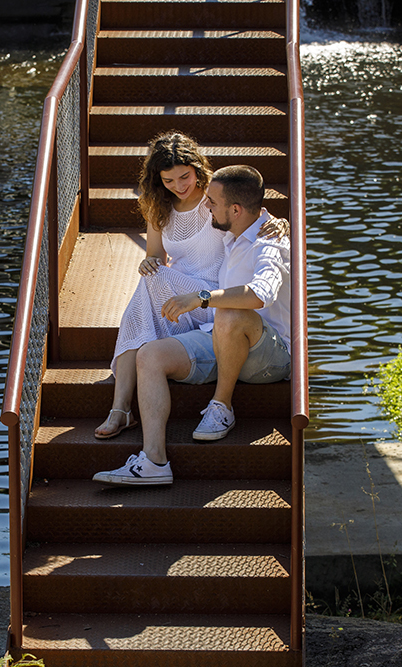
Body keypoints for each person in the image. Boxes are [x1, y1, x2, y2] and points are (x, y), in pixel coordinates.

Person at [93, 164, 291, 486]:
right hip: (220, 338)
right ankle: (154, 461)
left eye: (211, 202)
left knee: (227, 313)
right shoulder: (232, 229)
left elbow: (260, 294)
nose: (206, 207)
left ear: (235, 210)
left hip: (269, 354)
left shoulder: (270, 242)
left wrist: (200, 298)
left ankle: (221, 405)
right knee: (150, 356)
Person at [94, 131, 224, 440]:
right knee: (151, 276)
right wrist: (147, 262)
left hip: (210, 299)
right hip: (175, 299)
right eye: (168, 181)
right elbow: (155, 255)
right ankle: (121, 408)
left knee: (151, 285)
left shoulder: (216, 195)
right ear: (157, 180)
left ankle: (121, 409)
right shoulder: (158, 206)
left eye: (185, 177)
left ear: (197, 168)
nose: (179, 187)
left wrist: (278, 223)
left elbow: (252, 213)